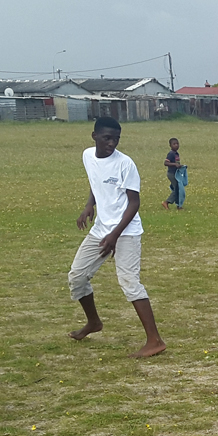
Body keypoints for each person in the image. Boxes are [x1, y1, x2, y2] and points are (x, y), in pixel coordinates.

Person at [66, 117, 167, 358]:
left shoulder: (125, 164)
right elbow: (95, 180)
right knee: (77, 277)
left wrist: (115, 236)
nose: (112, 144)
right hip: (101, 229)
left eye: (116, 139)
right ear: (94, 136)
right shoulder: (88, 155)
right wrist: (89, 205)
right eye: (107, 138)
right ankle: (93, 323)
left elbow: (134, 203)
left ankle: (155, 340)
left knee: (129, 282)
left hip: (126, 230)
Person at [162, 137, 184, 210]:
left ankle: (178, 205)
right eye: (174, 144)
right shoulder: (171, 153)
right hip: (171, 174)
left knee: (178, 189)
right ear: (170, 145)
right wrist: (175, 164)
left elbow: (176, 163)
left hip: (176, 173)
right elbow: (166, 163)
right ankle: (167, 202)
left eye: (177, 144)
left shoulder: (176, 153)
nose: (176, 145)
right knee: (177, 189)